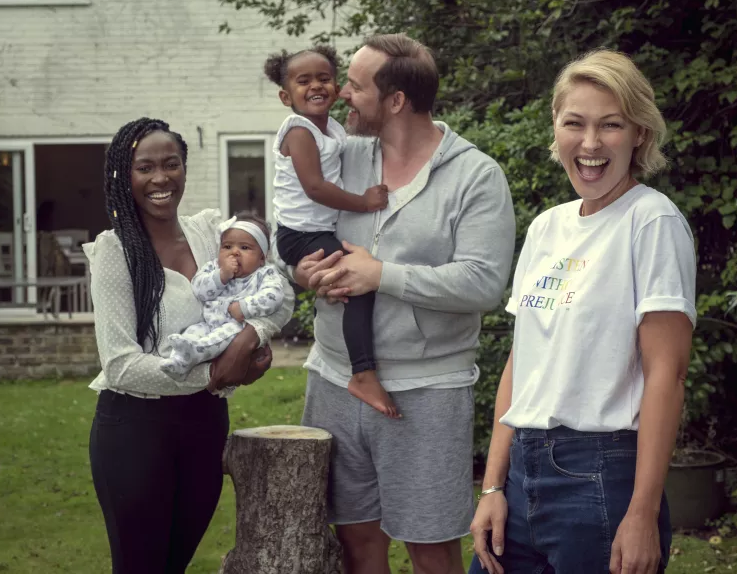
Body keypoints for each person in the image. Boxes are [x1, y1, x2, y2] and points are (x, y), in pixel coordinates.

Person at [288, 33, 516, 574]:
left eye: (356, 85)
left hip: (427, 393)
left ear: (396, 101)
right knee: (356, 543)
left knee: (431, 550)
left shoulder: (475, 176)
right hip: (333, 381)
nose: (342, 93)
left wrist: (382, 276)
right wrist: (298, 271)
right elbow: (297, 223)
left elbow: (484, 284)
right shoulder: (341, 158)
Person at [468, 49, 697, 574]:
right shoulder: (548, 227)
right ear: (556, 128)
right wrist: (493, 484)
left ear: (639, 133)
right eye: (575, 123)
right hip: (521, 473)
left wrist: (641, 512)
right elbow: (520, 364)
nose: (590, 144)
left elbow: (668, 373)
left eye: (610, 125)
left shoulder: (651, 221)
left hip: (603, 474)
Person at [84, 117, 294, 574]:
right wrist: (214, 375)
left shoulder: (209, 234)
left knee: (175, 564)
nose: (161, 178)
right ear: (125, 175)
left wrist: (252, 336)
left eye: (171, 164)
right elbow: (120, 364)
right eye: (145, 167)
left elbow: (272, 291)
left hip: (204, 425)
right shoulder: (115, 253)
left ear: (183, 169)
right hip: (135, 430)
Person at [265, 45, 396, 417]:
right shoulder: (299, 131)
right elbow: (316, 188)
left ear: (337, 86)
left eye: (323, 78)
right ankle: (363, 373)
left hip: (312, 230)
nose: (315, 86)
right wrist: (365, 202)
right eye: (302, 81)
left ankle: (359, 364)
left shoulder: (333, 128)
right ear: (285, 95)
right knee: (359, 284)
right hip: (299, 235)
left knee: (348, 281)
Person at [160, 213, 284, 379]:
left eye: (245, 248)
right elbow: (198, 290)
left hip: (237, 326)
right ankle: (179, 360)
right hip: (207, 323)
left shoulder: (264, 274)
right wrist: (221, 276)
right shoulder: (214, 268)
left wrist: (245, 307)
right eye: (227, 247)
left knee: (222, 336)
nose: (234, 253)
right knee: (191, 332)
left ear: (262, 258)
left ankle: (195, 352)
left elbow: (274, 296)